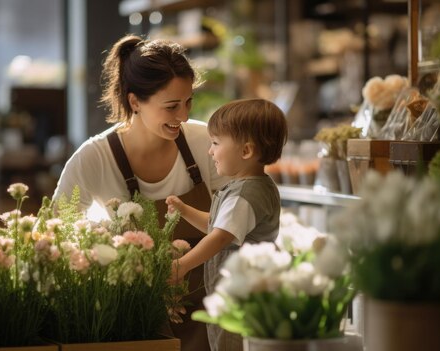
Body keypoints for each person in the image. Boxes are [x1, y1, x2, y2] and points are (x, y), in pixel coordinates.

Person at [52, 34, 229, 351]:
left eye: (189, 102)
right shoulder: (95, 157)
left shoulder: (206, 142)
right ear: (135, 102)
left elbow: (235, 218)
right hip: (136, 321)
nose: (184, 115)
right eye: (172, 106)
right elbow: (58, 232)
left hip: (213, 311)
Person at [166, 98, 288, 351]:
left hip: (240, 297)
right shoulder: (254, 186)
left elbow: (220, 236)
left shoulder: (245, 194)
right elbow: (217, 225)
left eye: (215, 143)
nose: (210, 151)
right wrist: (184, 210)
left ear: (245, 151)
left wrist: (183, 265)